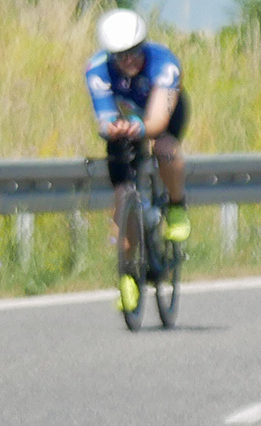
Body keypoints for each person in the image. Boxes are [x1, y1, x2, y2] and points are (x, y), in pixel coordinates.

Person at [84, 9, 189, 316]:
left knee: (165, 147)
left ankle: (176, 206)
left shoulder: (164, 63)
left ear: (143, 45)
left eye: (133, 52)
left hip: (162, 115)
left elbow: (157, 119)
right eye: (119, 55)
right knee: (122, 196)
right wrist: (113, 128)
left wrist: (141, 128)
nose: (127, 60)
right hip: (126, 119)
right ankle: (128, 273)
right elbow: (104, 117)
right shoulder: (97, 69)